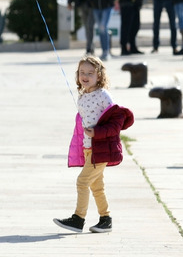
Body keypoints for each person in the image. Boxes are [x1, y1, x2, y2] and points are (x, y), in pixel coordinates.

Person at [53, 55, 134, 234]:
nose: (85, 76)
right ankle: (105, 219)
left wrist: (97, 132)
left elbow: (116, 120)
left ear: (99, 76)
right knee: (97, 186)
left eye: (90, 73)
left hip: (101, 150)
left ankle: (78, 218)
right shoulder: (82, 97)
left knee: (82, 181)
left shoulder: (103, 95)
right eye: (82, 72)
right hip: (89, 149)